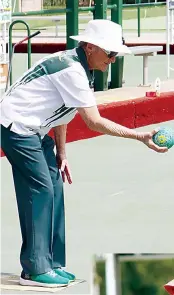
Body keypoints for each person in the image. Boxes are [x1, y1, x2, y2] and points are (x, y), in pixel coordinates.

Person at [0, 19, 168, 288]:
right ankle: (34, 269)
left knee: (54, 186)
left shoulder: (81, 66)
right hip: (17, 128)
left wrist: (62, 153)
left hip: (38, 129)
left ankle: (52, 262)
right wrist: (141, 136)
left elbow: (63, 112)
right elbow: (93, 121)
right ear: (90, 47)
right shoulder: (71, 70)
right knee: (40, 189)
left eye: (115, 54)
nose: (113, 59)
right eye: (110, 53)